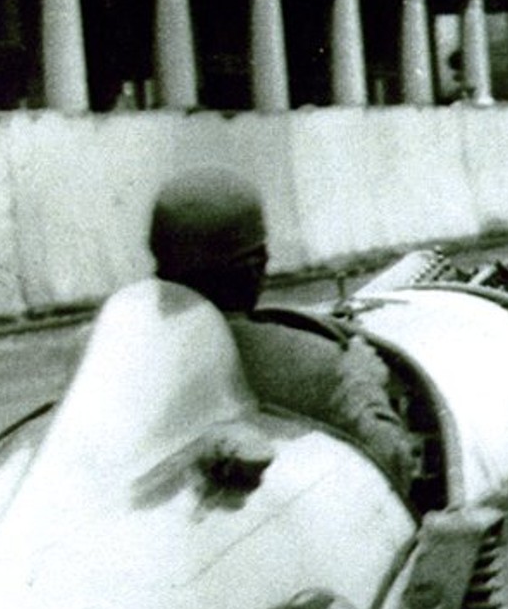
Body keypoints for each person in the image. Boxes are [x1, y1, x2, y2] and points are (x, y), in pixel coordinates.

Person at [147, 169, 416, 493]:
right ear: (257, 266)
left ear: (160, 266)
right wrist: (362, 381)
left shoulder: (116, 359)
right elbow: (395, 465)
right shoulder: (323, 366)